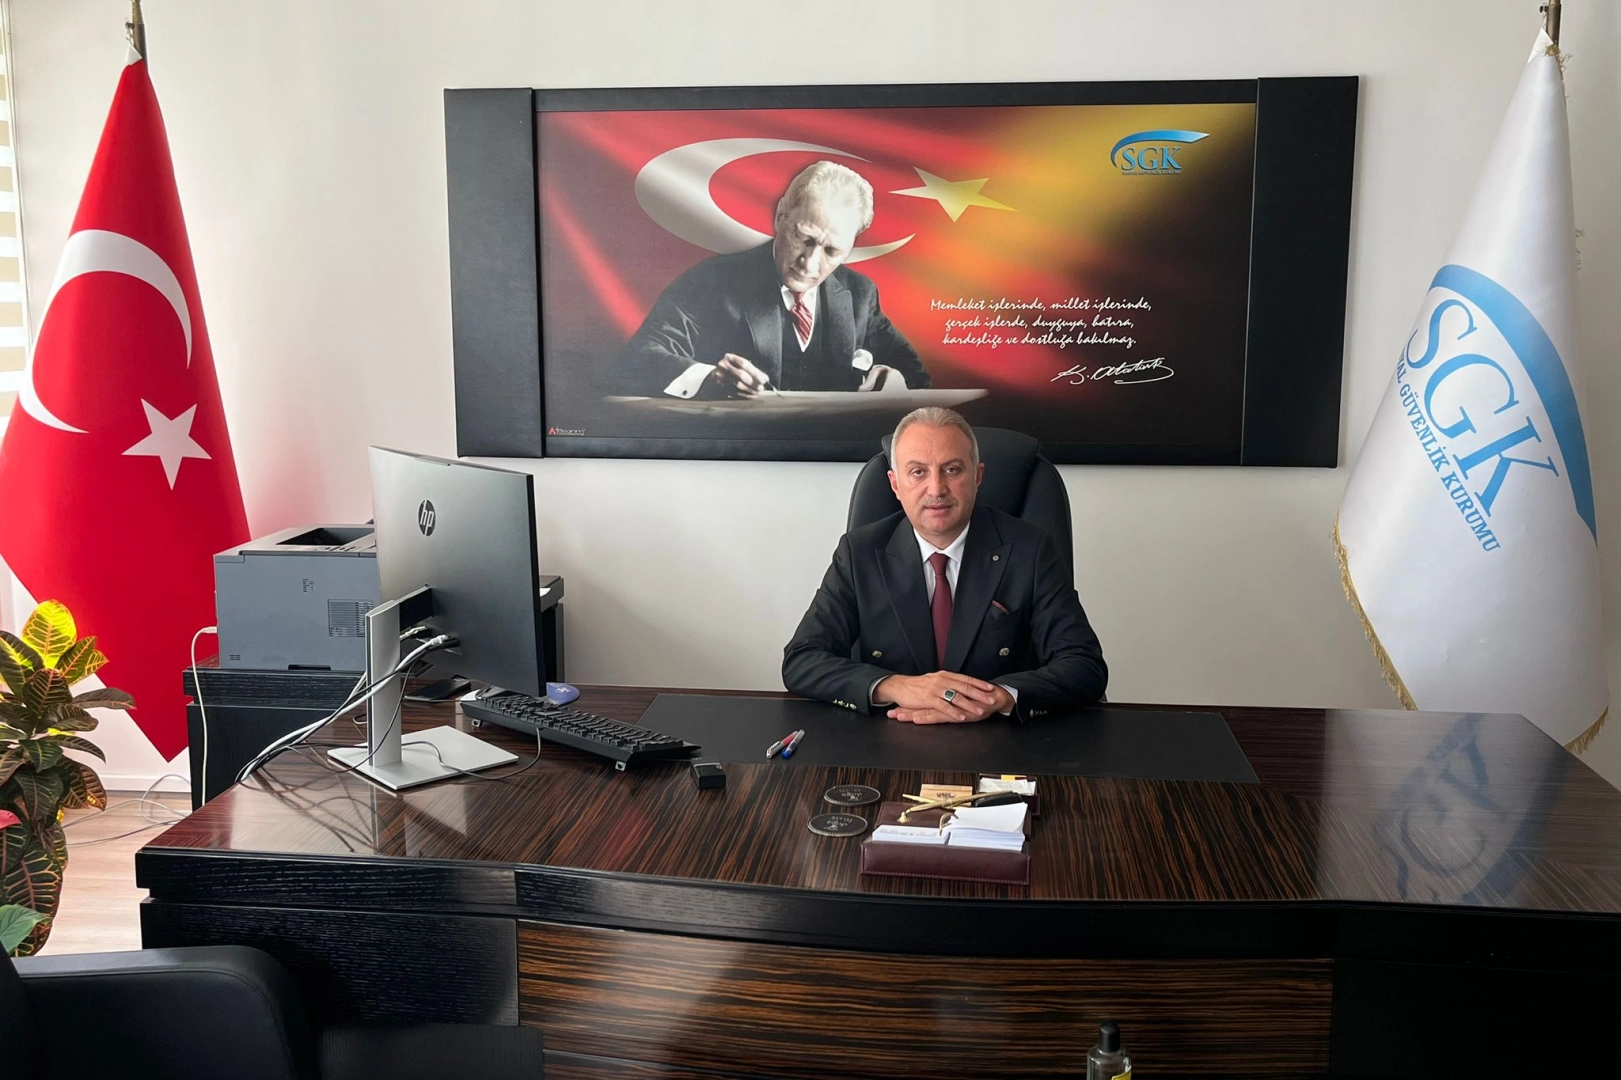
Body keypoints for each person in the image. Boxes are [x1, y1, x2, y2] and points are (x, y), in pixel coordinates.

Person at [783, 408, 1107, 722]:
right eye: (918, 472)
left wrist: (998, 697)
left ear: (977, 476)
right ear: (895, 484)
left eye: (952, 469)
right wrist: (895, 686)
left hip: (999, 736)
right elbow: (802, 659)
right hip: (891, 730)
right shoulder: (859, 553)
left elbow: (1084, 665)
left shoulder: (1030, 550)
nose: (936, 489)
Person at [620, 161, 930, 399]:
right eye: (803, 238)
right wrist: (710, 377)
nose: (810, 263)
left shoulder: (860, 293)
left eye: (832, 251)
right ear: (781, 215)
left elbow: (915, 374)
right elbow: (638, 359)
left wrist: (896, 381)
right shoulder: (710, 282)